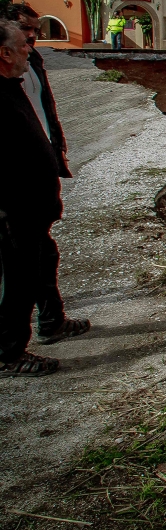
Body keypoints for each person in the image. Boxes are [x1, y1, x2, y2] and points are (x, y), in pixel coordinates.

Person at [9, 3, 90, 344]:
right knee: (19, 268)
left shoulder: (31, 64)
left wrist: (55, 151)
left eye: (37, 31)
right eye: (26, 30)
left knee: (43, 254)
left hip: (39, 176)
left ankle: (51, 319)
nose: (33, 39)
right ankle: (11, 345)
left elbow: (43, 111)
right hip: (16, 186)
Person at [0, 20, 67, 376]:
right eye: (23, 43)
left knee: (39, 266)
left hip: (33, 209)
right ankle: (9, 353)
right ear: (4, 53)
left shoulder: (11, 87)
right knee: (17, 282)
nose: (30, 48)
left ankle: (52, 323)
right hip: (15, 212)